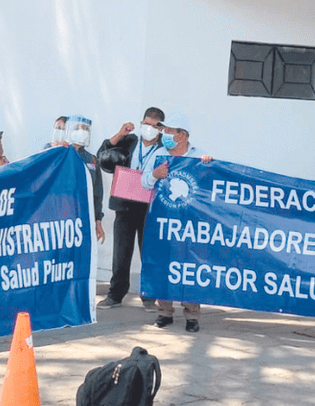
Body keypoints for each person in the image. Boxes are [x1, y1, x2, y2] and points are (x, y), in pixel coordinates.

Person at [140, 113, 213, 332]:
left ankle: (192, 315)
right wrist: (154, 174)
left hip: (190, 223)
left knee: (189, 265)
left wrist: (209, 166)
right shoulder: (158, 154)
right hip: (163, 220)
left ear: (181, 135)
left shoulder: (199, 155)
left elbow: (211, 186)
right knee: (164, 263)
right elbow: (144, 183)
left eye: (169, 131)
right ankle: (164, 312)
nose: (164, 135)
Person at [96, 107, 165, 310]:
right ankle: (115, 294)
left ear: (160, 128)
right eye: (146, 124)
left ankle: (149, 296)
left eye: (154, 126)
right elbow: (103, 155)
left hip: (150, 206)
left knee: (149, 252)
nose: (149, 129)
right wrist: (120, 133)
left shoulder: (163, 149)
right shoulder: (129, 141)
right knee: (121, 252)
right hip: (125, 204)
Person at [57, 115, 106, 244]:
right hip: (60, 215)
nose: (82, 132)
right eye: (78, 128)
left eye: (85, 129)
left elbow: (97, 193)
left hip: (84, 215)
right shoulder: (57, 153)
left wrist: (98, 221)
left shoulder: (91, 159)